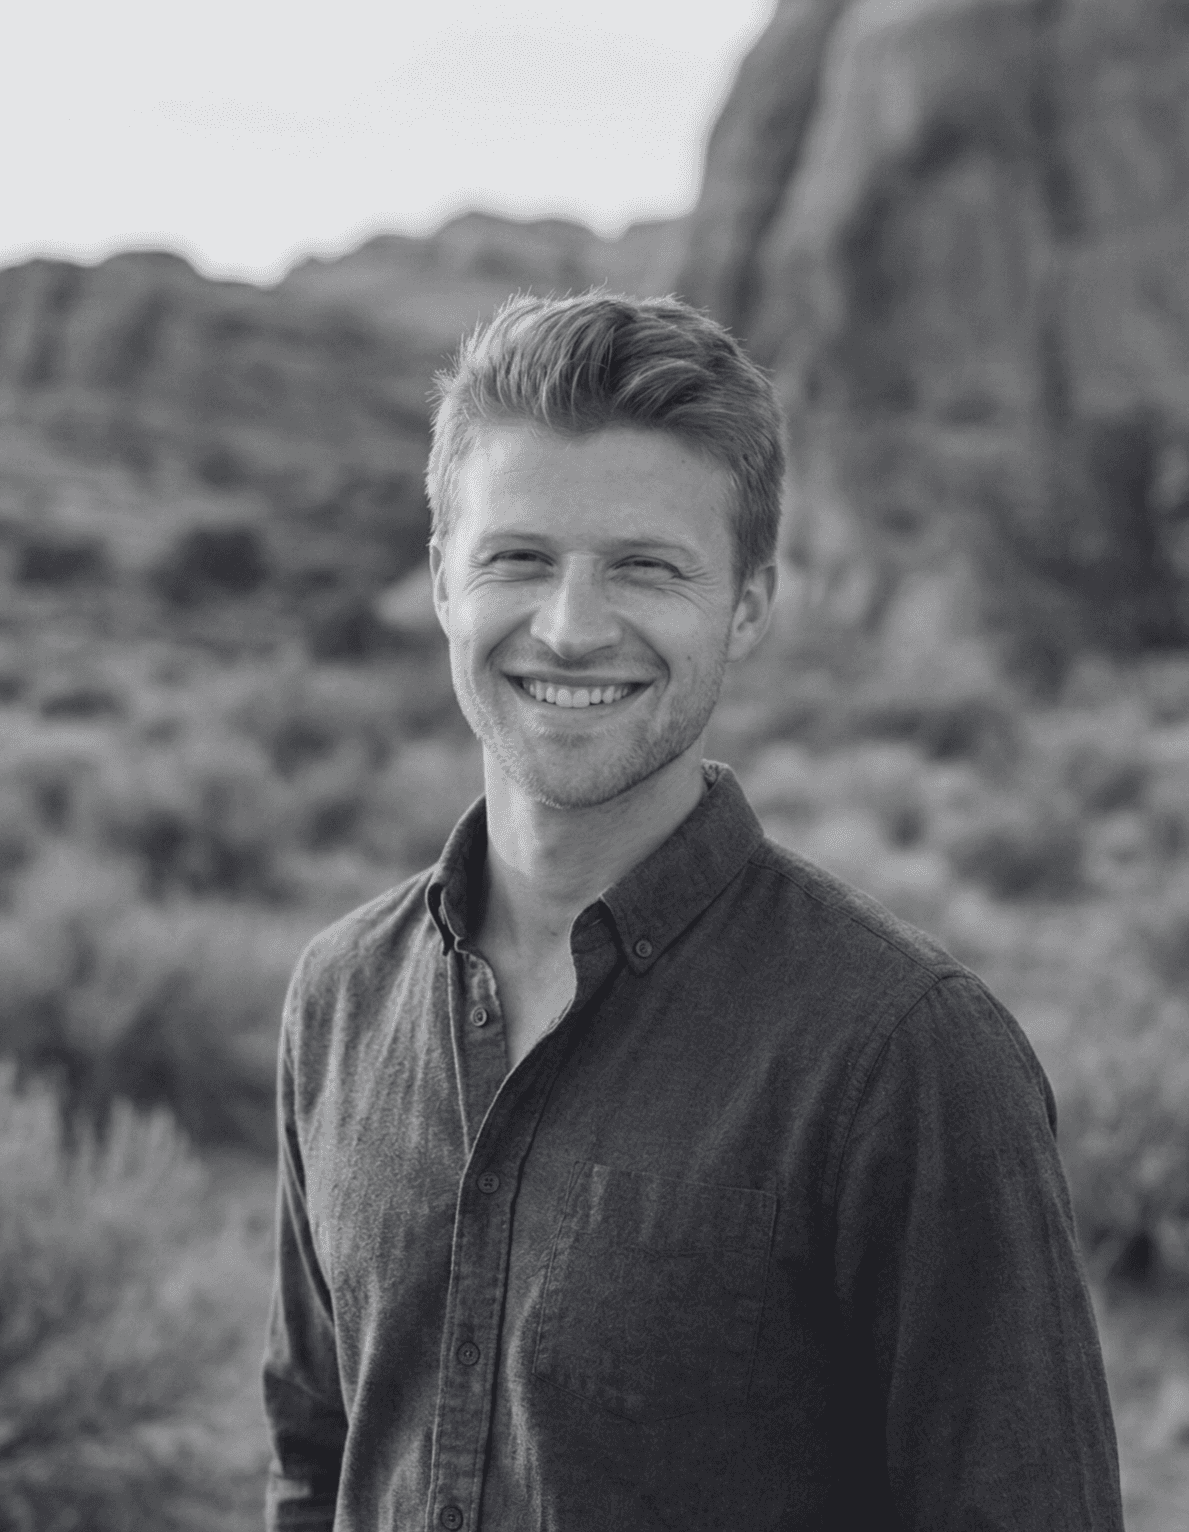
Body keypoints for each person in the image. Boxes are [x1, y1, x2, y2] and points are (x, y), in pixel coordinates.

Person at [262, 292, 1123, 1531]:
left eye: (645, 567)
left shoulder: (905, 1057)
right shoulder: (340, 994)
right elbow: (315, 1450)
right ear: (443, 580)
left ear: (750, 604)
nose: (569, 624)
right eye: (517, 556)